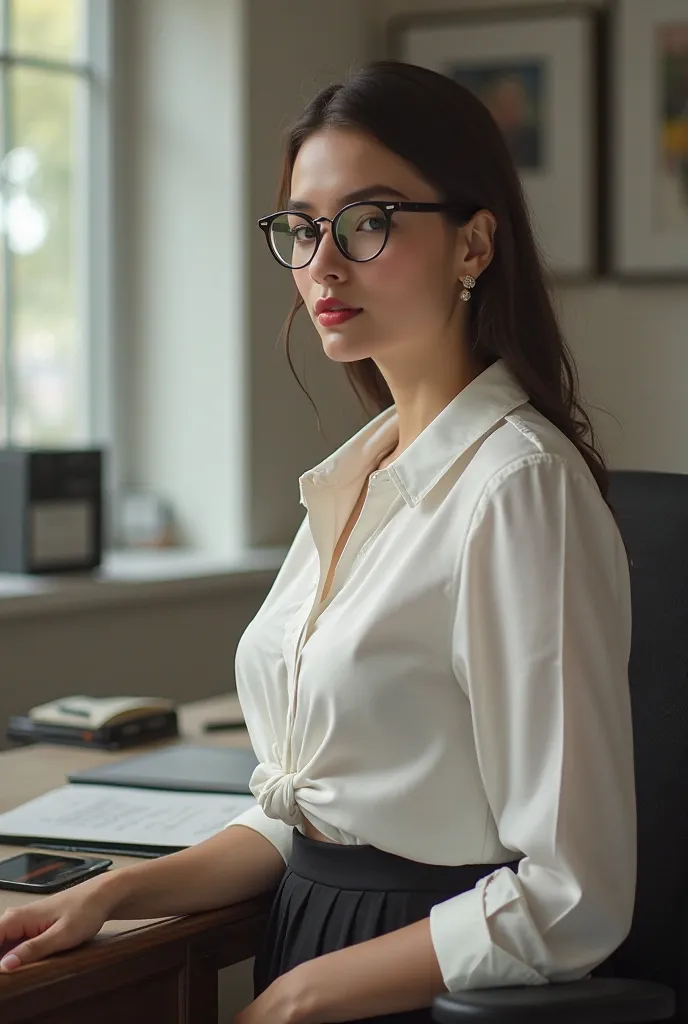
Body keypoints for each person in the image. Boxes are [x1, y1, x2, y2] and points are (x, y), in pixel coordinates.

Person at [0, 61, 635, 1024]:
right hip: (315, 934)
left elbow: (573, 894)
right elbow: (313, 811)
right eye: (303, 228)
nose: (322, 266)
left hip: (422, 976)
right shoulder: (360, 477)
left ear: (474, 242)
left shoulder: (517, 487)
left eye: (367, 221)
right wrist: (111, 893)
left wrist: (298, 998)